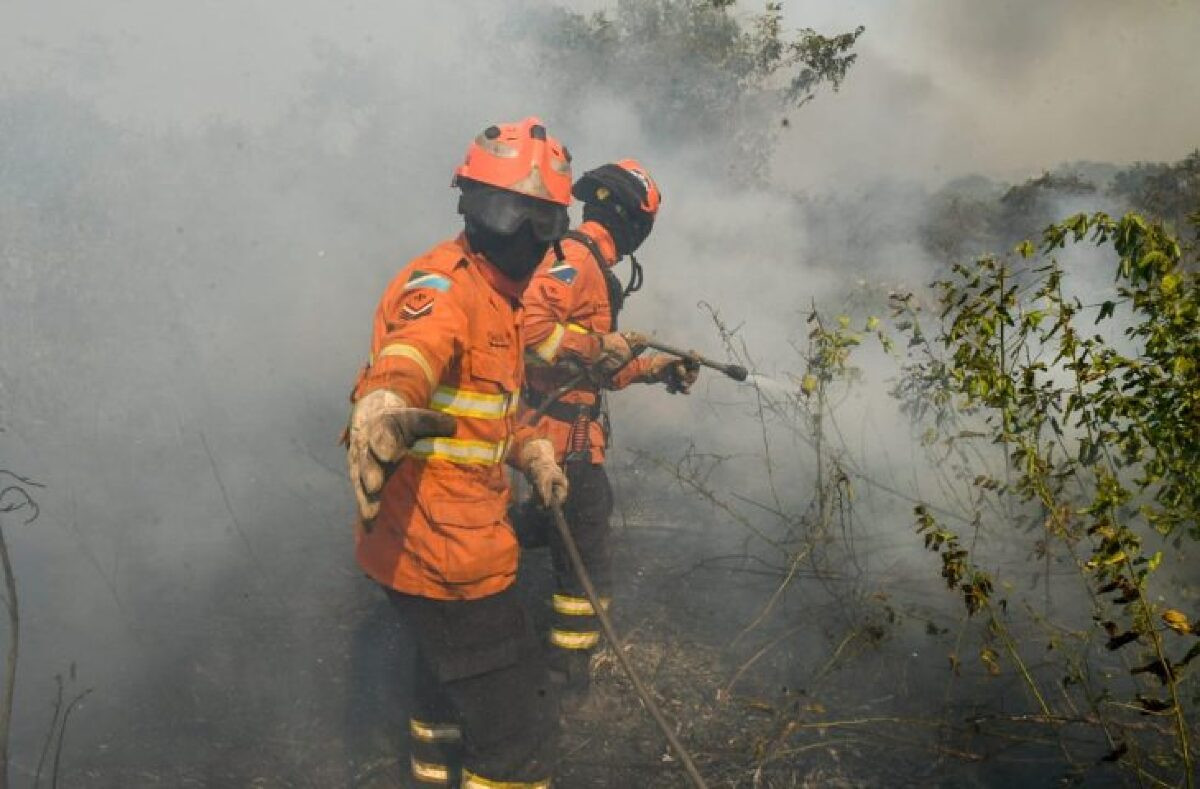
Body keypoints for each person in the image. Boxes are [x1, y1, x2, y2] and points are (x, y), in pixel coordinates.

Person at [344, 117, 572, 787]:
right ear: (469, 206)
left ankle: (433, 770)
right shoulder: (444, 286)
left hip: (436, 550)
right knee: (519, 737)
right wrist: (385, 401)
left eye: (540, 221)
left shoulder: (500, 296)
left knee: (443, 686)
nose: (521, 235)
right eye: (504, 212)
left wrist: (532, 451)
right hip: (448, 559)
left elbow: (484, 410)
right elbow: (411, 353)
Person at [516, 159, 699, 706]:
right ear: (631, 220)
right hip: (559, 442)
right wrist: (598, 346)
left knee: (554, 532)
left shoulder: (590, 262)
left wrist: (654, 369)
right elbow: (530, 332)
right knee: (586, 566)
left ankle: (485, 556)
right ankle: (563, 683)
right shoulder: (575, 260)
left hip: (565, 439)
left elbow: (595, 369)